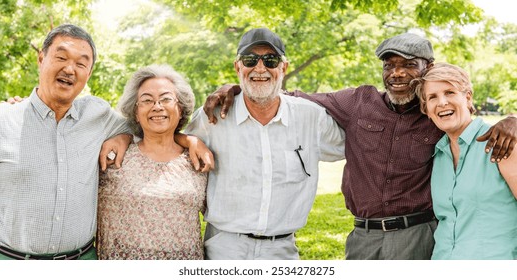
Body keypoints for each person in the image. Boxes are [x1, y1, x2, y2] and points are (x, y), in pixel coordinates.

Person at [204, 32, 517, 259]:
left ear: (428, 67)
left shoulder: (433, 114)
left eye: (408, 64)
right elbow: (290, 96)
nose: (396, 73)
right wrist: (237, 88)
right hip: (362, 238)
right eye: (388, 65)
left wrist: (513, 119)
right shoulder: (357, 102)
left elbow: (461, 109)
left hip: (417, 236)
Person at [184, 27, 346, 260]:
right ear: (238, 67)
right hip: (224, 247)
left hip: (282, 249)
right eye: (250, 60)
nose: (260, 68)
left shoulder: (312, 117)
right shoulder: (212, 116)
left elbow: (359, 145)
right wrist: (189, 139)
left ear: (283, 68)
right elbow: (170, 143)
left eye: (270, 60)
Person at [0, 24, 131, 260]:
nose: (70, 69)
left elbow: (151, 127)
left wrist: (124, 136)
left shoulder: (98, 115)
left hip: (82, 260)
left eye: (81, 64)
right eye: (61, 57)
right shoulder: (3, 120)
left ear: (88, 74)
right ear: (41, 58)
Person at [96, 64, 208, 260]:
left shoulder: (196, 161)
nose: (157, 106)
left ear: (180, 109)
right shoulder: (113, 157)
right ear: (136, 113)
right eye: (147, 100)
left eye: (166, 99)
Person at [412, 62, 517, 259]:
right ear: (426, 109)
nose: (442, 102)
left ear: (468, 97)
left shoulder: (502, 143)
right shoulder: (437, 155)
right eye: (432, 97)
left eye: (450, 92)